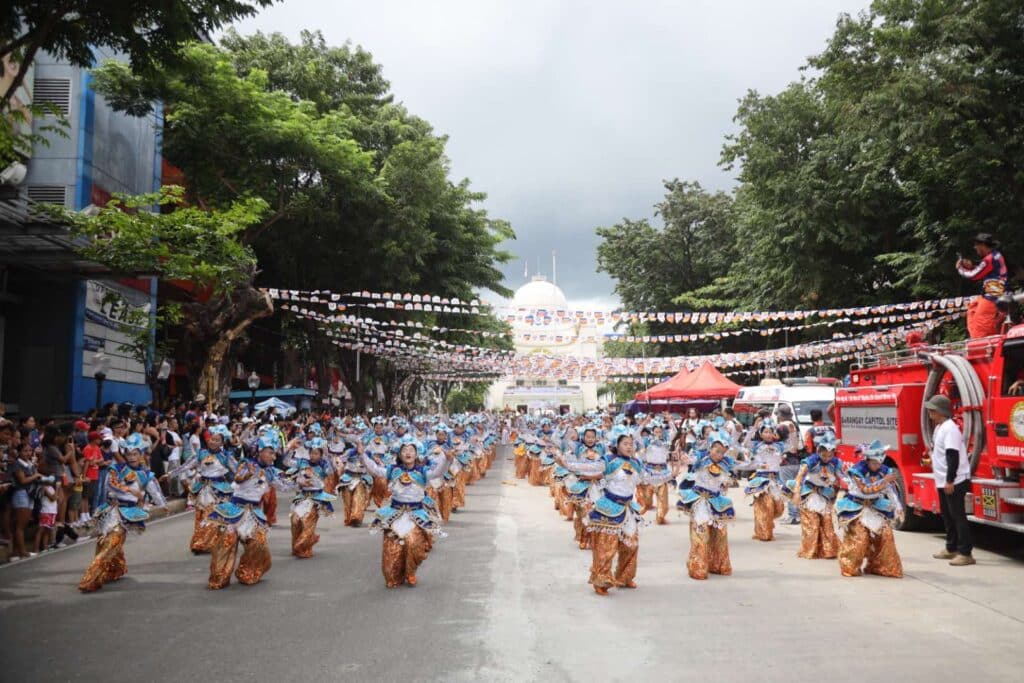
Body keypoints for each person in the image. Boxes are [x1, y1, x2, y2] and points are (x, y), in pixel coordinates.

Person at [360, 438, 453, 588]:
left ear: (417, 454)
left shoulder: (422, 471)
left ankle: (410, 572)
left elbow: (437, 472)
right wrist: (362, 456)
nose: (408, 453)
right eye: (404, 450)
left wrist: (447, 460)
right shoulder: (393, 470)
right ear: (399, 453)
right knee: (392, 549)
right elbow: (375, 470)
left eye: (411, 450)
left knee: (413, 544)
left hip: (415, 514)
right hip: (394, 513)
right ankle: (395, 575)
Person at [561, 432, 645, 596]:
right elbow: (588, 467)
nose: (629, 446)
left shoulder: (637, 463)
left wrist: (673, 472)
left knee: (631, 544)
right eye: (625, 443)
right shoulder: (608, 461)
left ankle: (624, 577)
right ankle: (601, 580)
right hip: (609, 507)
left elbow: (646, 478)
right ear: (617, 445)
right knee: (606, 547)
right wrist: (567, 464)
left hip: (628, 508)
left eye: (631, 444)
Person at [78, 447, 167, 592]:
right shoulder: (116, 469)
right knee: (103, 542)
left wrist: (163, 505)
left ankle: (90, 578)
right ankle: (114, 570)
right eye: (128, 454)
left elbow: (154, 491)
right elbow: (110, 485)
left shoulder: (145, 474)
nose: (131, 457)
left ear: (140, 456)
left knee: (112, 542)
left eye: (135, 454)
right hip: (110, 511)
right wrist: (130, 490)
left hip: (127, 514)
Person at [835, 440, 903, 578]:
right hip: (856, 506)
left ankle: (881, 567)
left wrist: (898, 506)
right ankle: (850, 566)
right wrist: (884, 481)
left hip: (876, 506)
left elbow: (890, 489)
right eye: (874, 463)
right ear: (867, 460)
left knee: (886, 534)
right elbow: (865, 490)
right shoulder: (857, 471)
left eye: (879, 463)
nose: (877, 466)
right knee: (860, 537)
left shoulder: (884, 470)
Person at [924, 395, 975, 566]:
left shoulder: (950, 429)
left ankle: (965, 553)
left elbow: (952, 456)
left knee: (958, 516)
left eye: (932, 410)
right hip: (942, 479)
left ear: (940, 412)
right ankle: (951, 547)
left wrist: (950, 480)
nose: (930, 413)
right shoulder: (940, 428)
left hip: (954, 480)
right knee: (948, 516)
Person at [677, 431, 735, 580]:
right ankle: (698, 567)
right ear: (710, 449)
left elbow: (744, 465)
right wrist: (684, 456)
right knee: (701, 534)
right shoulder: (701, 459)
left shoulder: (725, 463)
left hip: (716, 501)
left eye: (722, 452)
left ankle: (717, 565)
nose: (719, 454)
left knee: (720, 535)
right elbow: (689, 460)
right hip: (700, 501)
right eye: (717, 450)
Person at [785, 432, 842, 560]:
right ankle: (809, 550)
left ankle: (828, 550)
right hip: (809, 494)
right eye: (824, 455)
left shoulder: (835, 463)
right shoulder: (811, 461)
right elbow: (800, 477)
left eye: (830, 455)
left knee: (827, 521)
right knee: (813, 523)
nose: (827, 458)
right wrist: (797, 493)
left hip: (824, 494)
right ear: (818, 451)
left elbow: (842, 478)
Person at [957, 232, 1008, 338]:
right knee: (972, 310)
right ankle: (976, 338)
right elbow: (983, 268)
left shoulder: (989, 259)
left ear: (982, 245)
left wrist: (960, 268)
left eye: (976, 245)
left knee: (981, 328)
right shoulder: (995, 255)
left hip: (993, 296)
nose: (975, 248)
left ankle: (982, 345)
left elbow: (973, 275)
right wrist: (971, 266)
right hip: (992, 293)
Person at [744, 420, 786, 541]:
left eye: (770, 432)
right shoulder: (756, 445)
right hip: (761, 479)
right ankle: (764, 533)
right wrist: (753, 429)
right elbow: (746, 443)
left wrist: (792, 434)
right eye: (765, 432)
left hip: (775, 479)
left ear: (774, 434)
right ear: (761, 434)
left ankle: (767, 523)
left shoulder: (780, 445)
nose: (768, 434)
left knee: (779, 507)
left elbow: (794, 446)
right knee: (765, 506)